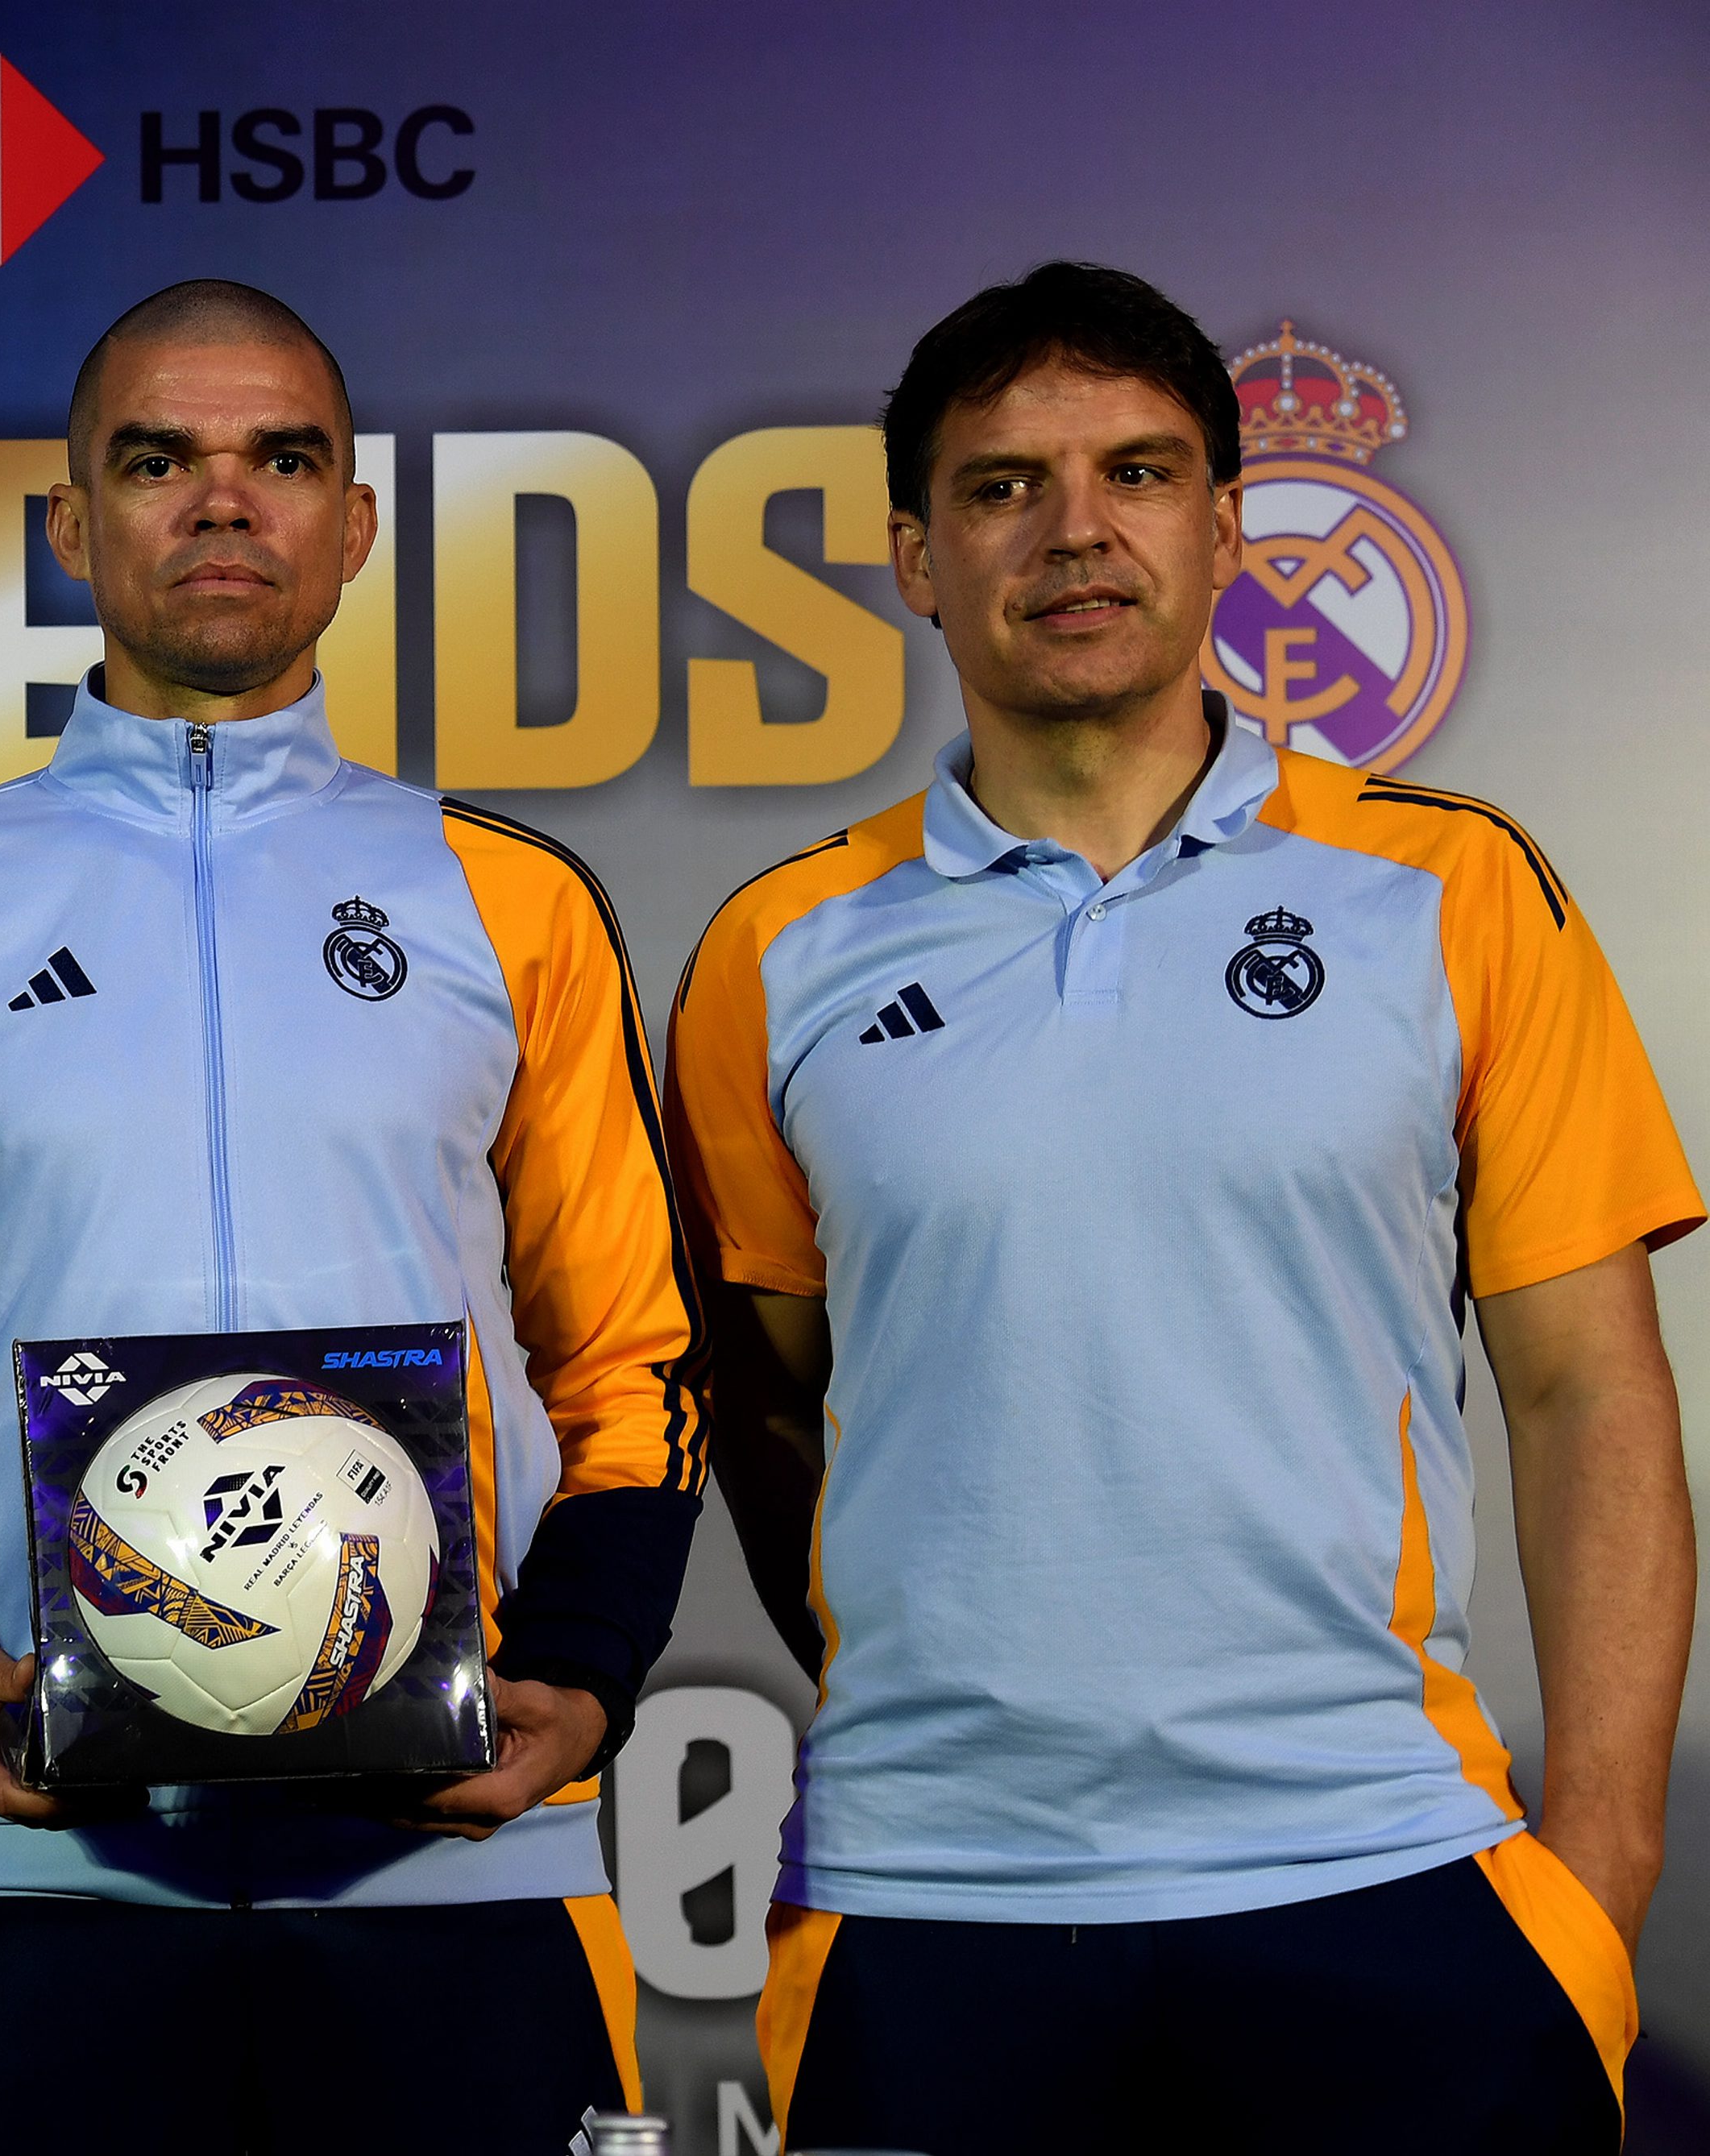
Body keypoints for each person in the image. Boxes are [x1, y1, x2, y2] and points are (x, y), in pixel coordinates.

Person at [668, 262, 1692, 2154]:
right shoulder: (772, 954)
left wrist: (1601, 1875)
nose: (1075, 531)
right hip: (929, 1901)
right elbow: (772, 1404)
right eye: (1003, 487)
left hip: (1385, 1873)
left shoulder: (1454, 891)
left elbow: (1590, 1393)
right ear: (915, 557)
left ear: (1227, 529)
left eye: (1136, 474)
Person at [0, 280, 704, 2151]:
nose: (221, 499)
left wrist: (580, 1677)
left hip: (459, 1866)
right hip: (46, 1866)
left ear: (353, 525)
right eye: (157, 459)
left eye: (280, 458)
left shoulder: (509, 897)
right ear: (70, 522)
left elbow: (635, 1361)